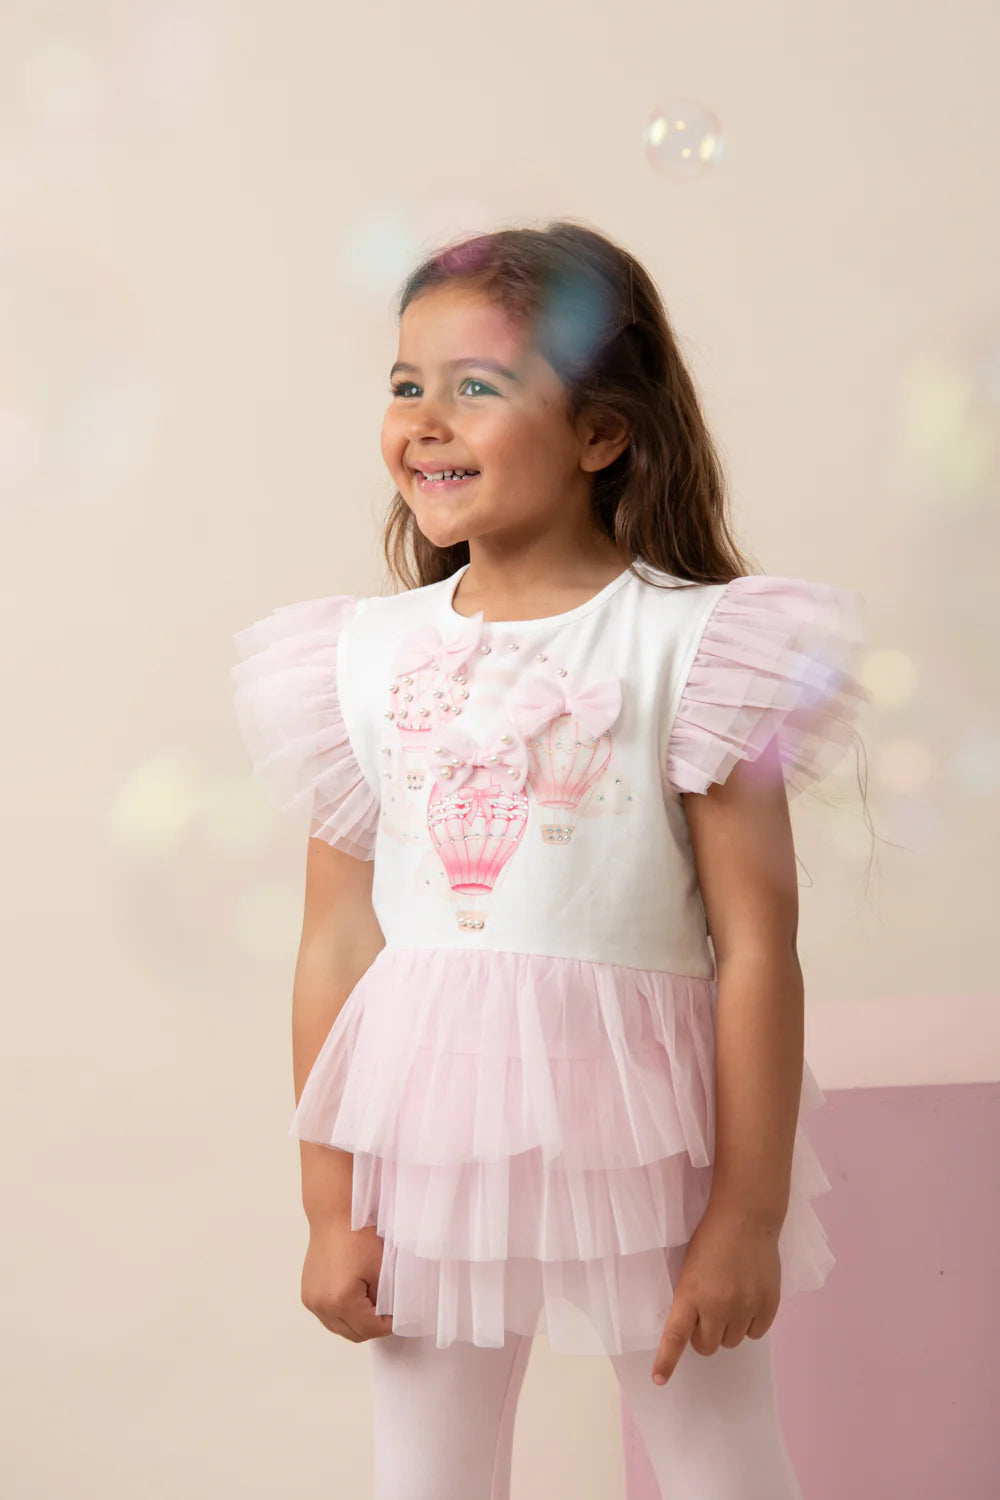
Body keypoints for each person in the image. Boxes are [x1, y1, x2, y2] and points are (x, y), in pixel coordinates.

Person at [231, 221, 873, 1500]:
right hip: (425, 1139)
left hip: (649, 1135)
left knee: (721, 1463)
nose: (425, 420)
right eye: (406, 384)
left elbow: (756, 946)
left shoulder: (697, 651)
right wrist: (327, 1207)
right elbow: (339, 941)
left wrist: (744, 1215)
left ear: (600, 433)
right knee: (427, 1474)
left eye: (476, 386)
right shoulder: (357, 659)